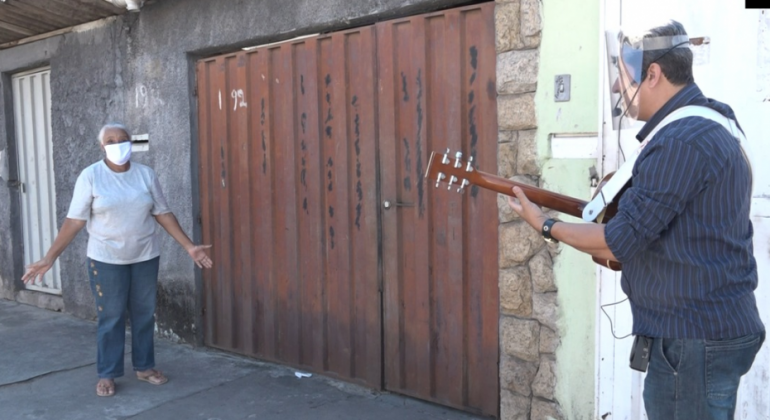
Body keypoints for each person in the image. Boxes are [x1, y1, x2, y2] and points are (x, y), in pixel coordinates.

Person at [507, 20, 764, 419]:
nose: (616, 88)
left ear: (654, 73)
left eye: (622, 76)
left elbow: (618, 241)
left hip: (692, 338)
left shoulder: (679, 141)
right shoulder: (715, 120)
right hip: (709, 331)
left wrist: (544, 224)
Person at [21, 123, 213, 397]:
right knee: (111, 318)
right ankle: (107, 373)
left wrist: (189, 247)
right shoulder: (91, 176)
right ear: (102, 146)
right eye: (111, 140)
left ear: (131, 143)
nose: (118, 144)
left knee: (144, 315)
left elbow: (163, 213)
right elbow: (75, 221)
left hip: (145, 256)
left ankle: (145, 367)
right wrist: (49, 257)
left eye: (123, 139)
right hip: (105, 260)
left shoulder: (145, 175)